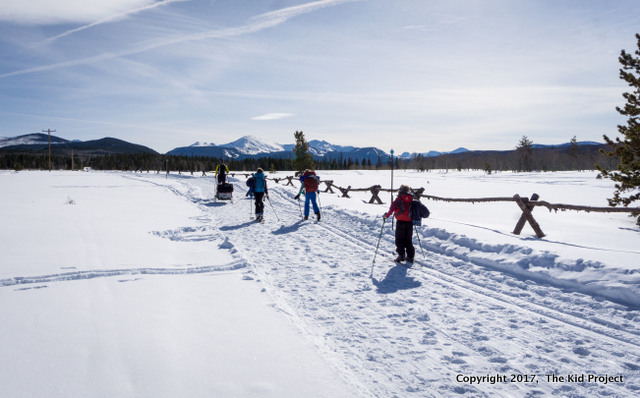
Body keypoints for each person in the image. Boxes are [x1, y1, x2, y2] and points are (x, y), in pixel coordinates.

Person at [383, 185, 415, 263]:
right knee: (408, 239)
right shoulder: (411, 199)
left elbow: (391, 210)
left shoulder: (398, 200)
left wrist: (386, 216)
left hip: (400, 222)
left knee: (399, 239)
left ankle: (401, 255)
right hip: (409, 222)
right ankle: (410, 256)